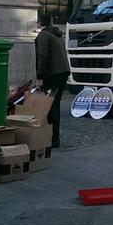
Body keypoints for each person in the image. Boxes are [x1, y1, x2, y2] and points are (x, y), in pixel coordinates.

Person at [35, 12, 70, 149]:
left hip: (53, 74)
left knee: (50, 106)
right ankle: (54, 138)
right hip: (62, 72)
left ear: (40, 23)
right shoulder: (57, 35)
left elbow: (43, 56)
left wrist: (39, 77)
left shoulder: (44, 35)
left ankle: (52, 139)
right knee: (55, 105)